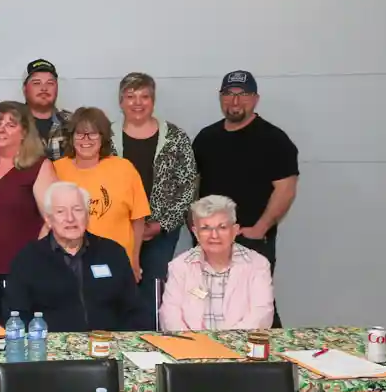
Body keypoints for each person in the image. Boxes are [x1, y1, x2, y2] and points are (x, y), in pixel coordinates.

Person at [193, 70, 298, 324]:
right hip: (210, 239)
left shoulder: (275, 140)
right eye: (229, 94)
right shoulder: (206, 138)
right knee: (204, 305)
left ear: (256, 99)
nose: (235, 101)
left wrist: (260, 228)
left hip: (252, 239)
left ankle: (268, 361)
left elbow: (286, 189)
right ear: (221, 97)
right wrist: (195, 227)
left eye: (243, 95)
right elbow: (194, 186)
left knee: (257, 309)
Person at [5, 182, 146, 332]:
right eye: (60, 212)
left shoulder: (112, 253)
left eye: (77, 210)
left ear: (87, 215)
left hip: (108, 345)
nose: (70, 218)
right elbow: (17, 315)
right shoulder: (28, 259)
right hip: (51, 349)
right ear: (48, 219)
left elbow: (134, 310)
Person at [0, 101, 58, 320]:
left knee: (17, 337)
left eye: (11, 124)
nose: (2, 129)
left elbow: (52, 219)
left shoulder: (39, 166)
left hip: (20, 271)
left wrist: (35, 259)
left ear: (24, 132)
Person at [118, 72, 198, 316]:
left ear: (153, 101)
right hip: (117, 231)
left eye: (144, 96)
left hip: (160, 233)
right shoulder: (106, 138)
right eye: (130, 96)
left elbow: (187, 186)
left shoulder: (175, 137)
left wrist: (161, 224)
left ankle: (148, 342)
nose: (137, 103)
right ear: (121, 101)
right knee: (115, 288)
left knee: (152, 293)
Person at [54, 107, 152, 280]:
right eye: (80, 134)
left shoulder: (124, 169)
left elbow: (138, 219)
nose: (86, 140)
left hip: (116, 265)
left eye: (93, 134)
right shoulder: (55, 170)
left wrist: (135, 259)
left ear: (103, 137)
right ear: (71, 137)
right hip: (67, 265)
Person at [160, 195, 275, 332]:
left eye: (222, 227)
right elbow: (170, 315)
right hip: (191, 347)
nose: (214, 235)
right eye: (205, 228)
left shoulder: (257, 264)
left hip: (240, 347)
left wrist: (225, 342)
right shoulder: (180, 266)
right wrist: (194, 345)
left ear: (235, 230)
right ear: (196, 233)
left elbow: (261, 315)